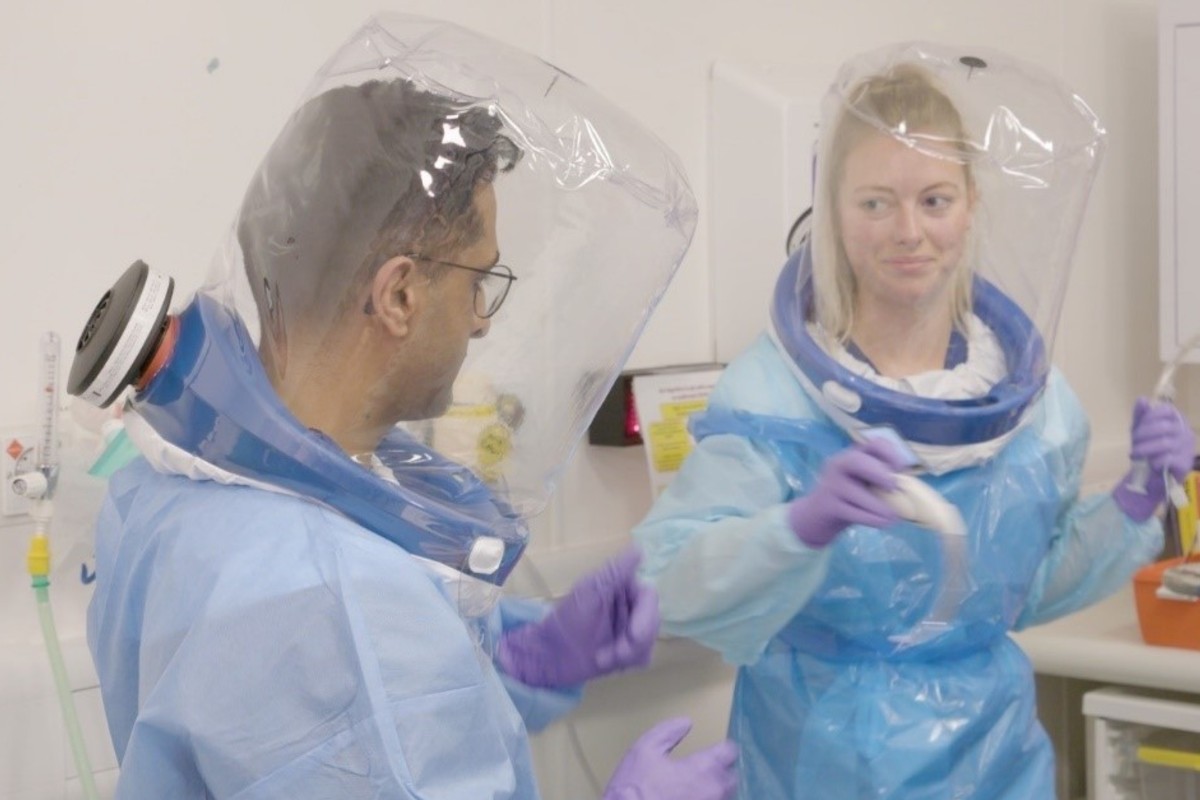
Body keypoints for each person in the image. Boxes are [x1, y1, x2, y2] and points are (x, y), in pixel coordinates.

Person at [79, 15, 736, 800]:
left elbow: (367, 732)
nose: (483, 317)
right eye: (478, 279)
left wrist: (532, 659)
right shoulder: (340, 595)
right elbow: (368, 699)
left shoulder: (163, 490)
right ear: (398, 294)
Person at [632, 43, 1195, 798]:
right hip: (819, 755)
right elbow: (667, 583)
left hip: (993, 751)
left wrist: (1130, 504)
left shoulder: (1033, 404)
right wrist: (796, 528)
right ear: (832, 210)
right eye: (875, 202)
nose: (907, 231)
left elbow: (1025, 590)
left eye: (934, 199)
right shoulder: (775, 394)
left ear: (971, 208)